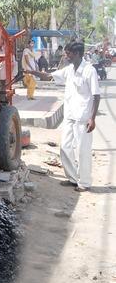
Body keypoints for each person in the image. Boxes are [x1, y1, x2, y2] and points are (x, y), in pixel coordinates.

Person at [47, 42, 100, 192]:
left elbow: (96, 96)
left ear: (77, 54)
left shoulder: (89, 71)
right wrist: (30, 72)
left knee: (83, 150)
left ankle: (84, 182)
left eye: (68, 53)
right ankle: (72, 178)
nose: (66, 56)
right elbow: (50, 76)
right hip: (70, 115)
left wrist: (92, 118)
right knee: (65, 147)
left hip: (83, 117)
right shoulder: (70, 70)